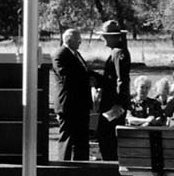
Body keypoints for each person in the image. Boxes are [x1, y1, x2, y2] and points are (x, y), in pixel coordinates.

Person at [51, 27, 93, 161]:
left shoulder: (76, 54)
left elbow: (85, 72)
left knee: (82, 138)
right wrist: (88, 80)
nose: (80, 42)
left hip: (81, 103)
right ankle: (64, 168)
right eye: (78, 39)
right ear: (69, 39)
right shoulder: (60, 54)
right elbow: (66, 77)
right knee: (67, 138)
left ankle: (82, 168)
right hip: (68, 104)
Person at [95, 20, 131, 161]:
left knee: (107, 137)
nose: (103, 39)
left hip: (113, 104)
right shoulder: (116, 52)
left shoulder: (118, 53)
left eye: (105, 36)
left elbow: (122, 79)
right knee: (106, 137)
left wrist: (118, 103)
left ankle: (111, 168)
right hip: (112, 102)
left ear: (112, 37)